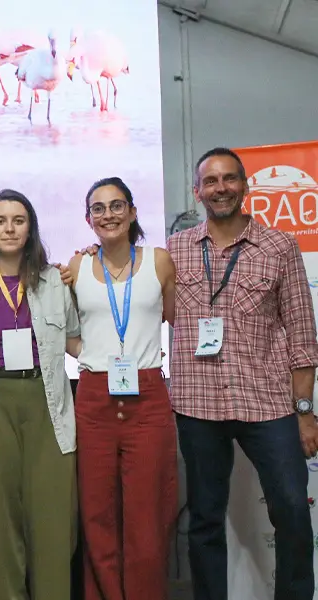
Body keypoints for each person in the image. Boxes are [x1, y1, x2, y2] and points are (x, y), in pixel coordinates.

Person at [168, 147, 318, 600]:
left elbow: (302, 333)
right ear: (197, 191)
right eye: (211, 181)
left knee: (293, 509)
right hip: (198, 404)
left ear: (245, 186)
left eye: (229, 179)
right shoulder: (172, 251)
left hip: (267, 402)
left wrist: (305, 410)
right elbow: (125, 284)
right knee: (205, 519)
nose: (221, 188)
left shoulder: (279, 246)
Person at [0, 189, 81, 600]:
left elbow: (77, 342)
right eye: (0, 220)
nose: (9, 228)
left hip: (47, 403)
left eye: (18, 220)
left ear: (31, 228)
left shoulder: (55, 282)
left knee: (53, 521)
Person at [66, 177, 177, 600]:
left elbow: (173, 317)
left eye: (116, 206)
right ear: (88, 218)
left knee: (147, 516)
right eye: (98, 208)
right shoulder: (75, 268)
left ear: (132, 211)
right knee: (97, 515)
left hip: (147, 396)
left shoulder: (160, 262)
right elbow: (63, 330)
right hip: (94, 397)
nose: (107, 214)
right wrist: (92, 356)